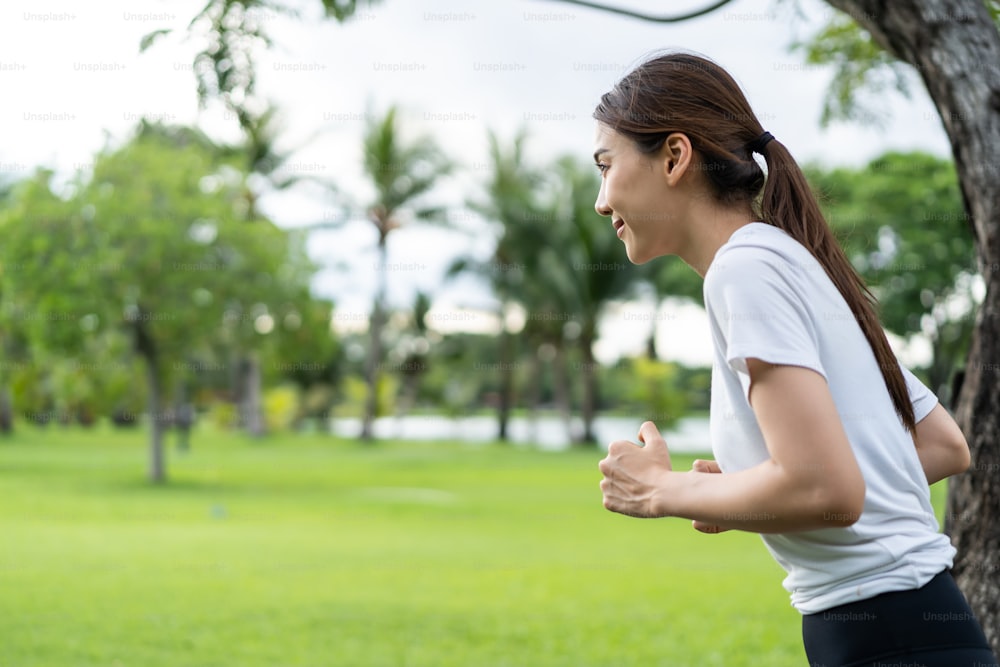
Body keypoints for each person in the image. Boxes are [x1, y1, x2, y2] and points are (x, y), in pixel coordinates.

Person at [593, 51, 999, 667]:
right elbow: (940, 443)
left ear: (674, 157)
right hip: (907, 627)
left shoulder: (745, 271)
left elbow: (828, 489)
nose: (601, 201)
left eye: (606, 165)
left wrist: (662, 490)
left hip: (886, 636)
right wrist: (753, 493)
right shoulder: (790, 262)